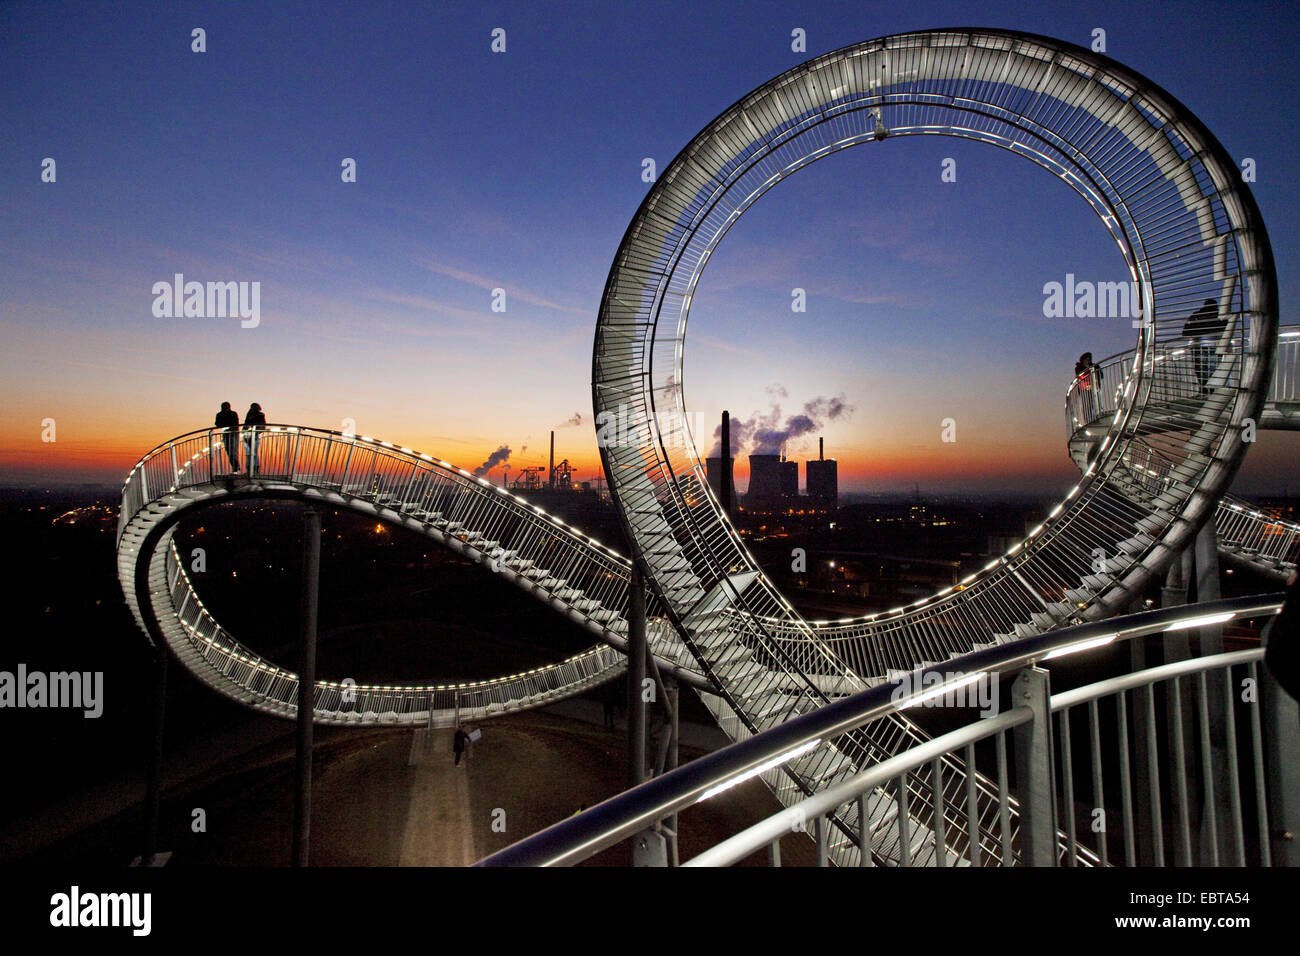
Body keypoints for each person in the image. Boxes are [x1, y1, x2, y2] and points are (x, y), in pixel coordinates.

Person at [1182, 298, 1226, 394]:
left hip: (1198, 345)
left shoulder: (1196, 316)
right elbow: (1224, 329)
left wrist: (1198, 331)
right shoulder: (1221, 316)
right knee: (1213, 369)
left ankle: (1204, 389)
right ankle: (1212, 390)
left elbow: (1185, 332)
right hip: (1215, 345)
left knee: (1200, 369)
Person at [1074, 352, 1103, 421]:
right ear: (1083, 360)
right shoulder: (1079, 367)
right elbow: (1080, 376)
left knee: (1097, 402)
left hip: (1094, 387)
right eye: (1086, 359)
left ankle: (1098, 417)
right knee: (1087, 405)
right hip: (1084, 389)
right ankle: (1088, 419)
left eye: (1089, 359)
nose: (1087, 361)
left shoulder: (1094, 366)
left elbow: (1100, 375)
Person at [214, 402, 240, 472]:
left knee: (233, 452)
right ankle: (236, 468)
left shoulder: (233, 414)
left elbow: (235, 424)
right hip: (226, 435)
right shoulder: (219, 414)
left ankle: (236, 469)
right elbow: (217, 423)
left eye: (225, 406)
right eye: (223, 406)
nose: (224, 408)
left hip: (233, 435)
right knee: (229, 452)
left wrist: (227, 427)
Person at [242, 402, 266, 474]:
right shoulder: (249, 414)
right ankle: (249, 469)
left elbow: (262, 426)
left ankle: (255, 469)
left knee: (253, 453)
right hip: (247, 435)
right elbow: (246, 424)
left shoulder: (260, 415)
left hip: (255, 435)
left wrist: (256, 431)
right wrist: (244, 430)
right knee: (249, 453)